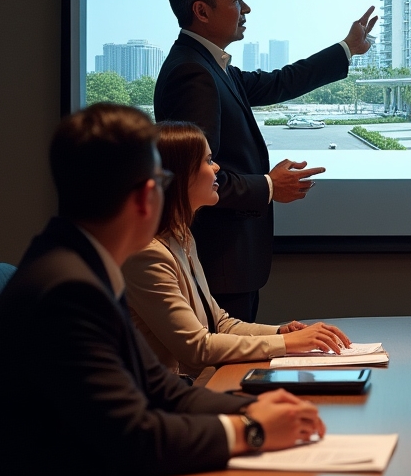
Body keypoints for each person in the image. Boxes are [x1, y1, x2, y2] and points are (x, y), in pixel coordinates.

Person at [0, 105, 326, 476]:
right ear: (148, 195)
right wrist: (254, 434)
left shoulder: (76, 265)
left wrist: (245, 409)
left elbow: (160, 387)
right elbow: (137, 437)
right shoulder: (68, 290)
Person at [154, 0, 377, 322]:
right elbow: (193, 176)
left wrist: (347, 47)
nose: (247, 8)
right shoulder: (193, 73)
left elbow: (280, 81)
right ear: (202, 11)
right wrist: (270, 186)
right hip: (219, 261)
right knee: (221, 371)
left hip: (229, 263)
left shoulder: (209, 65)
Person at [124, 121, 351, 377]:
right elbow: (197, 348)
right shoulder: (147, 253)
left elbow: (218, 323)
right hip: (167, 402)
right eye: (208, 161)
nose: (217, 168)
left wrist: (281, 332)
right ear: (179, 175)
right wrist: (287, 344)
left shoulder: (181, 236)